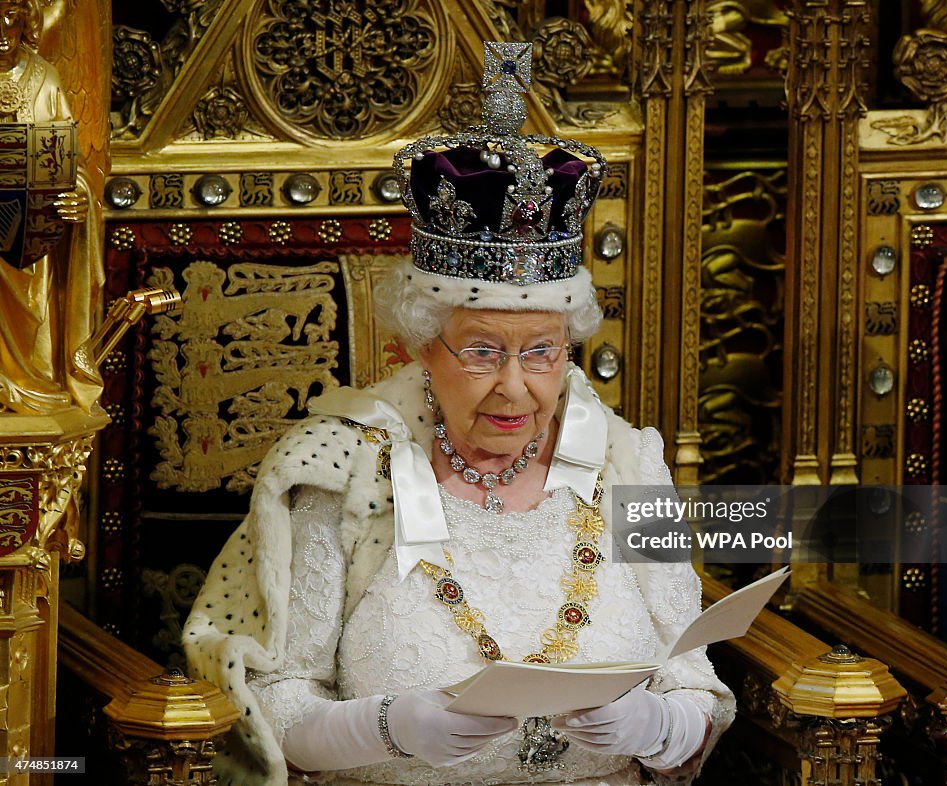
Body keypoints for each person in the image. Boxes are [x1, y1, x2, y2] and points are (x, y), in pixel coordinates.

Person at [185, 41, 735, 786]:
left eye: (541, 351)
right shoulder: (340, 468)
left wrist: (657, 725)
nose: (514, 388)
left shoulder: (630, 462)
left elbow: (695, 686)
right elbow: (275, 702)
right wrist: (387, 727)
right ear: (420, 347)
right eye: (481, 352)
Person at [0, 0, 100, 413]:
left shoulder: (46, 78)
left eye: (8, 17)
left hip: (27, 239)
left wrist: (79, 199)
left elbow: (65, 164)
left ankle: (30, 381)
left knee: (34, 315)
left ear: (24, 19)